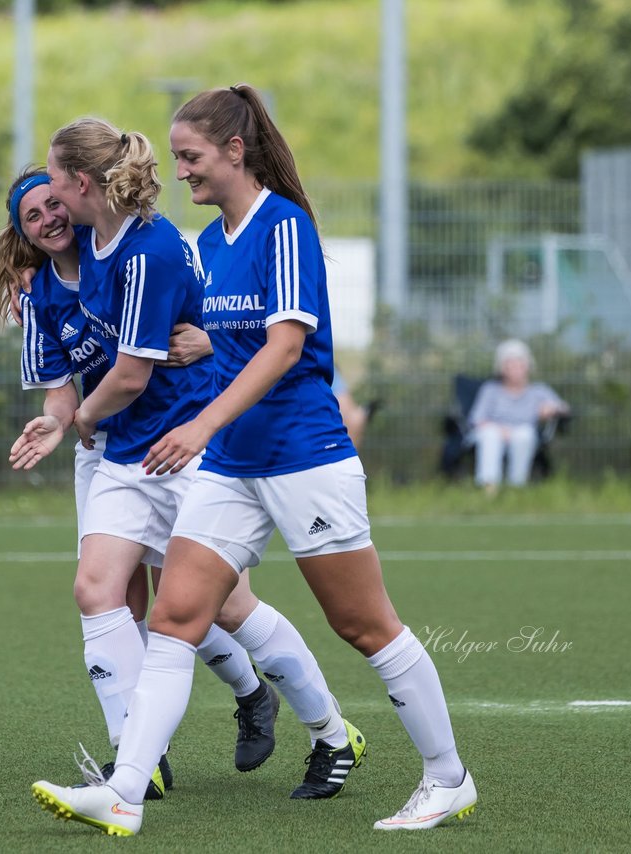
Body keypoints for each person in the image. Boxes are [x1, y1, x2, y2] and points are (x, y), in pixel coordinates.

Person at [31, 85, 475, 835]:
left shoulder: (285, 225)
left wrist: (200, 423)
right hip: (231, 466)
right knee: (175, 617)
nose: (181, 172)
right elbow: (226, 338)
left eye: (192, 157)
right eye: (176, 158)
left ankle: (447, 777)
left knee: (364, 626)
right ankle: (125, 791)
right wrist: (204, 347)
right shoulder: (208, 244)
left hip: (303, 457)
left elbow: (286, 345)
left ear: (235, 151)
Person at [25, 122, 366, 800]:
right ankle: (135, 764)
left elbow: (129, 375)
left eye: (54, 183)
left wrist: (77, 423)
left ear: (82, 183)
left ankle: (331, 730)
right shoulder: (87, 246)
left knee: (229, 609)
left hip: (181, 451)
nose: (50, 199)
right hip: (126, 453)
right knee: (95, 589)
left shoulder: (150, 250)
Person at [468, 338, 569, 492]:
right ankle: (489, 488)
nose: (515, 368)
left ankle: (516, 487)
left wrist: (551, 408)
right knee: (490, 435)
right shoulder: (490, 390)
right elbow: (476, 419)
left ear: (528, 366)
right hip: (494, 431)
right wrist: (501, 430)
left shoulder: (538, 391)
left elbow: (564, 408)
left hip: (522, 433)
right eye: (510, 364)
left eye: (519, 363)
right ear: (502, 368)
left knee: (524, 435)